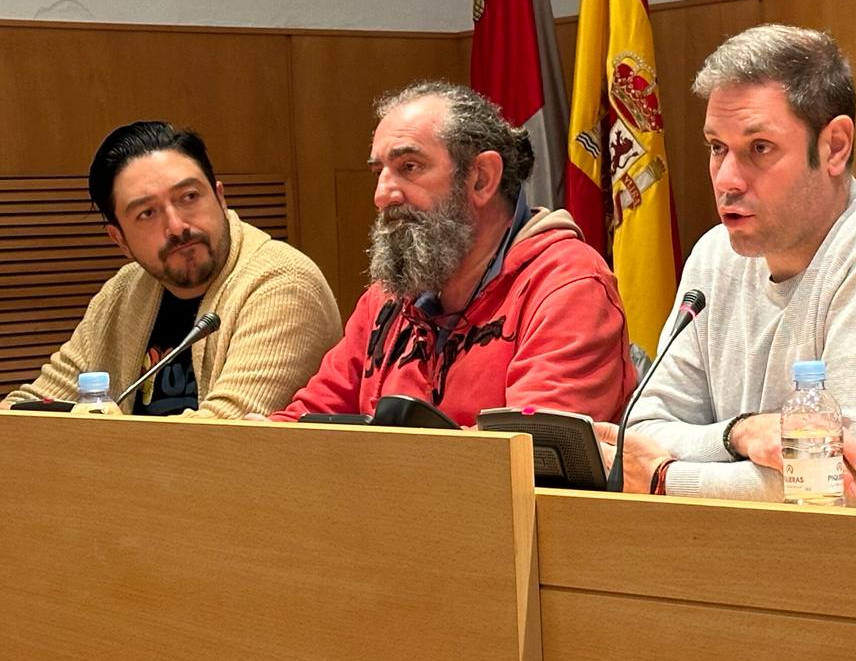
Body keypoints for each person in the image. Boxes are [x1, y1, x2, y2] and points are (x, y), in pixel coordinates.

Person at [599, 24, 856, 505]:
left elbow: (851, 488)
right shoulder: (714, 257)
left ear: (834, 147)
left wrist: (667, 480)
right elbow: (642, 431)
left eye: (758, 148)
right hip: (749, 556)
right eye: (717, 148)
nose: (726, 179)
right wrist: (737, 434)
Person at [276, 81, 634, 426]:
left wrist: (370, 457)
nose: (382, 195)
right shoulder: (388, 297)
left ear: (481, 178)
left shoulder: (568, 288)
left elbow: (531, 451)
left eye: (409, 168)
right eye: (378, 171)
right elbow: (311, 417)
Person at [2, 121, 341, 417]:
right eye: (147, 213)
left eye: (189, 197)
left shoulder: (283, 283)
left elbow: (224, 435)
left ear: (220, 198)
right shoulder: (125, 292)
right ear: (119, 238)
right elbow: (35, 404)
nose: (177, 226)